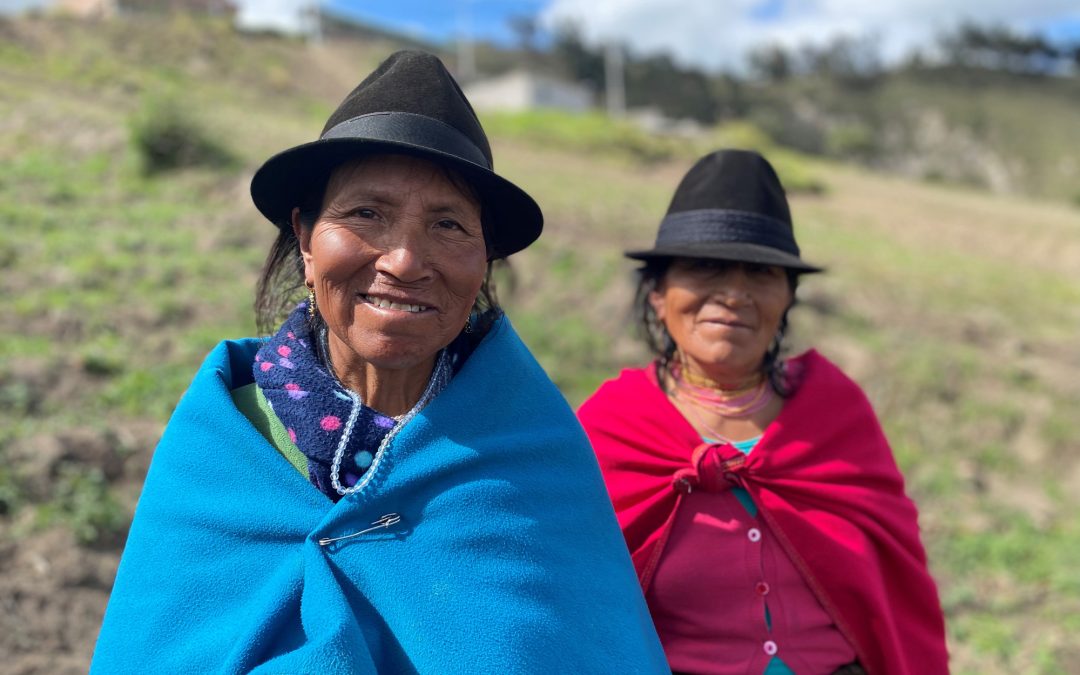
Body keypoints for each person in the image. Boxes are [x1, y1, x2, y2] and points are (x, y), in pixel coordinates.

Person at [91, 50, 668, 674]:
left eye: (448, 225)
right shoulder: (222, 442)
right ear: (305, 239)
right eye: (366, 214)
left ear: (484, 263)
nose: (404, 261)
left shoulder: (533, 458)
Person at [577, 149, 949, 675]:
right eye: (705, 267)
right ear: (658, 293)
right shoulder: (613, 423)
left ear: (788, 297)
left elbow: (896, 587)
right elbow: (570, 593)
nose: (734, 294)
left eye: (760, 272)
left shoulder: (834, 412)